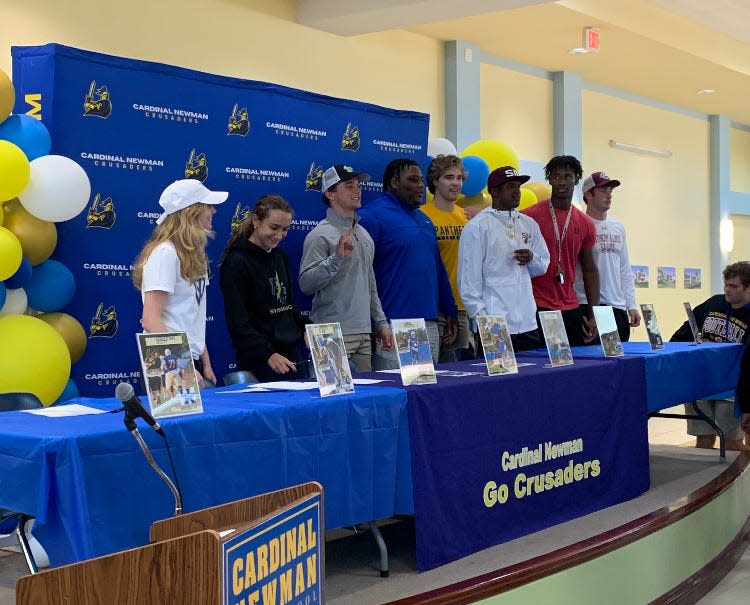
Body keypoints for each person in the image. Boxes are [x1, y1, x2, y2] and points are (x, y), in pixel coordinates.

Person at [358, 158, 458, 369]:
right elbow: (361, 274)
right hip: (394, 323)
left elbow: (438, 268)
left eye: (421, 180)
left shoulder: (424, 219)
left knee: (425, 392)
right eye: (413, 180)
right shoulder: (371, 216)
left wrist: (450, 309)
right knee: (397, 394)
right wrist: (375, 322)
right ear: (394, 183)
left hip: (429, 321)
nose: (420, 185)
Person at [298, 164, 394, 371]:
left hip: (363, 331)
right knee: (333, 399)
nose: (357, 190)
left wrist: (381, 323)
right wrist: (336, 258)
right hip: (329, 331)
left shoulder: (364, 234)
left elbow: (370, 284)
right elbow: (306, 284)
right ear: (330, 193)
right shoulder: (319, 235)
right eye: (349, 186)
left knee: (365, 399)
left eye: (358, 185)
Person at [133, 178, 227, 387]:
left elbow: (190, 313)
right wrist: (183, 367)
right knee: (175, 421)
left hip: (182, 357)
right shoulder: (165, 253)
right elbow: (150, 320)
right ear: (190, 211)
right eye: (208, 206)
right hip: (166, 359)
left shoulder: (192, 255)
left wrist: (204, 359)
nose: (213, 211)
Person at [458, 166, 550, 351]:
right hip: (494, 323)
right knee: (499, 379)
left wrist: (532, 258)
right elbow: (468, 282)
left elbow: (543, 266)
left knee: (531, 378)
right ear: (495, 191)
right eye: (511, 186)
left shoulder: (528, 224)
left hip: (527, 322)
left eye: (518, 186)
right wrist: (483, 321)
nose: (517, 191)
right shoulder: (478, 227)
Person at [219, 194, 309, 383]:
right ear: (256, 220)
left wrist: (307, 328)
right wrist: (268, 354)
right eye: (274, 227)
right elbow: (238, 323)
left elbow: (287, 307)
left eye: (285, 229)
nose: (279, 235)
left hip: (293, 357)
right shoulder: (237, 261)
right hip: (260, 362)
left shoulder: (281, 256)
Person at [671, 261, 750, 451]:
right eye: (726, 285)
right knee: (703, 440)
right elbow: (683, 333)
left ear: (747, 287)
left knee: (732, 443)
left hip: (732, 387)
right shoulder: (714, 303)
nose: (727, 290)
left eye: (734, 286)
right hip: (701, 382)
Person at [522, 155, 599, 346]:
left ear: (576, 179)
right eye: (556, 177)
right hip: (536, 304)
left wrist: (593, 314)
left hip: (569, 305)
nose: (562, 182)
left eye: (567, 176)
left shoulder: (586, 223)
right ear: (549, 180)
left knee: (571, 368)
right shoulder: (529, 217)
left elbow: (589, 270)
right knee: (540, 366)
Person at [574, 171, 641, 342]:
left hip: (616, 306)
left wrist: (631, 305)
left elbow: (624, 270)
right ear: (588, 194)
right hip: (587, 305)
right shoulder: (578, 224)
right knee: (592, 360)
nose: (609, 195)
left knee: (619, 362)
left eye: (610, 191)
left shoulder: (618, 226)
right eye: (603, 190)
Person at [421, 155, 473, 361]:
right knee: (428, 371)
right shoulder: (422, 216)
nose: (456, 183)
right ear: (435, 180)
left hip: (461, 306)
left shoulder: (468, 217)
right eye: (449, 177)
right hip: (433, 306)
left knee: (458, 372)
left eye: (459, 178)